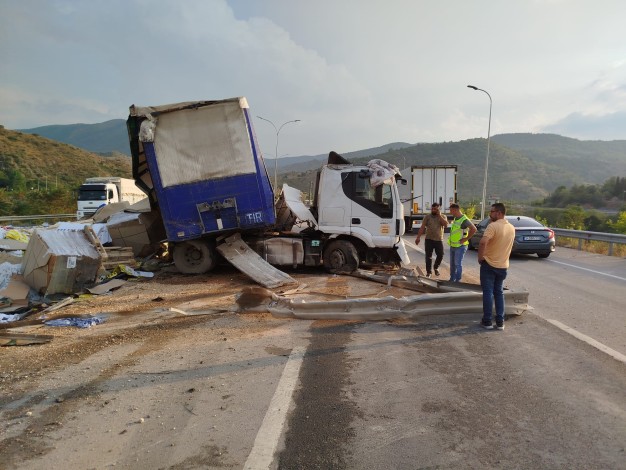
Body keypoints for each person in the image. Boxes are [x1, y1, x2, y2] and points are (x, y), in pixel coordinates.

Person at [477, 202, 515, 330]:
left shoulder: (492, 226)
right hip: (503, 266)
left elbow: (483, 242)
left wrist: (480, 257)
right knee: (499, 293)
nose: (490, 214)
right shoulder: (511, 228)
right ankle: (500, 322)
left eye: (492, 211)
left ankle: (487, 321)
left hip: (489, 264)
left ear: (499, 213)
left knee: (488, 292)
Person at [415, 203, 448, 277]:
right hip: (429, 239)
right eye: (432, 209)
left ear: (439, 209)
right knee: (428, 256)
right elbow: (422, 227)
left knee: (440, 255)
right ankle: (429, 272)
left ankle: (436, 267)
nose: (433, 210)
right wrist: (418, 237)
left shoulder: (443, 216)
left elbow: (445, 225)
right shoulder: (427, 217)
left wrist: (439, 216)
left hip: (439, 240)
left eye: (435, 209)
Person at [447, 203, 476, 282]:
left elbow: (474, 229)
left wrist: (465, 239)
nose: (450, 212)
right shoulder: (456, 218)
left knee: (457, 264)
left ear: (455, 210)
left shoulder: (464, 219)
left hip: (460, 246)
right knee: (453, 265)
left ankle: (457, 281)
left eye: (451, 210)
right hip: (453, 245)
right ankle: (452, 279)